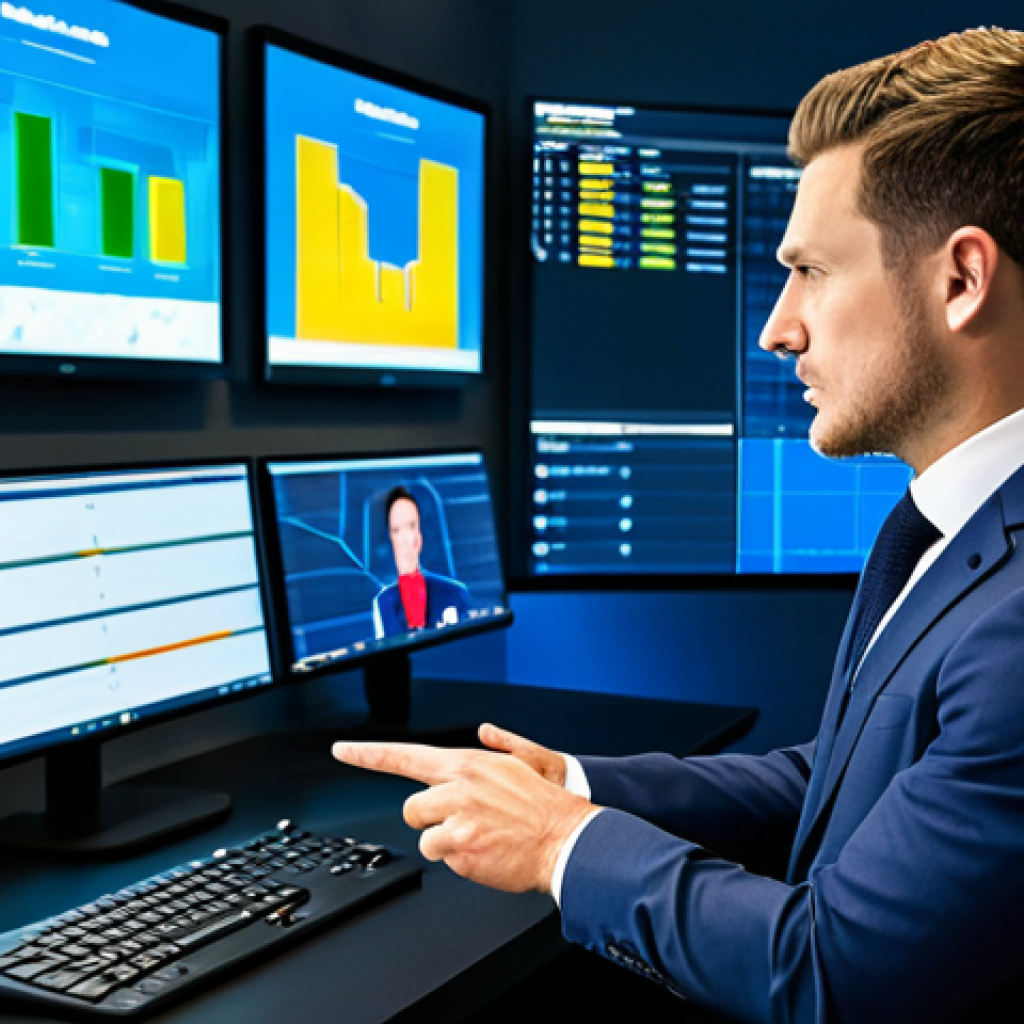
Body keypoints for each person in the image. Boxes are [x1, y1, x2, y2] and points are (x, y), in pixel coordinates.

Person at [336, 29, 1024, 1022]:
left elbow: (831, 971)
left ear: (959, 280)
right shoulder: (946, 528)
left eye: (811, 271)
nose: (777, 326)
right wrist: (570, 783)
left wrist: (560, 844)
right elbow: (843, 779)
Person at [372, 486, 470, 639]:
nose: (406, 539)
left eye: (411, 526)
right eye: (397, 530)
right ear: (388, 537)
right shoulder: (383, 603)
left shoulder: (454, 593)